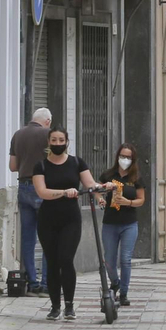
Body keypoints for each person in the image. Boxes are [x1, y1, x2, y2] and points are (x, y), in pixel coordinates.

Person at [31, 127, 99, 319]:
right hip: (48, 219)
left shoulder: (77, 163)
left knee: (66, 259)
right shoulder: (41, 166)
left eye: (61, 140)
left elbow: (90, 184)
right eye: (54, 140)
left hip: (71, 219)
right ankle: (55, 306)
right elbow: (42, 192)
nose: (58, 143)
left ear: (67, 142)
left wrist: (101, 191)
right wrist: (64, 192)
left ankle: (69, 305)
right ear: (48, 142)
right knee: (52, 262)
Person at [8, 108, 52, 295]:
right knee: (48, 237)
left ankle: (32, 282)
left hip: (24, 187)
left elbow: (13, 167)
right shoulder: (49, 134)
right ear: (47, 121)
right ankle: (47, 283)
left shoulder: (18, 135)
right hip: (43, 188)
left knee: (27, 237)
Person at [100, 143, 145, 306]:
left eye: (128, 157)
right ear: (117, 157)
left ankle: (124, 293)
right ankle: (115, 282)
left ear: (133, 160)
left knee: (125, 259)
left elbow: (141, 200)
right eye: (122, 156)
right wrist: (100, 198)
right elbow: (97, 189)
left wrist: (129, 202)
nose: (124, 160)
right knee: (109, 260)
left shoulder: (136, 178)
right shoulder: (109, 175)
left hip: (129, 224)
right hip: (110, 223)